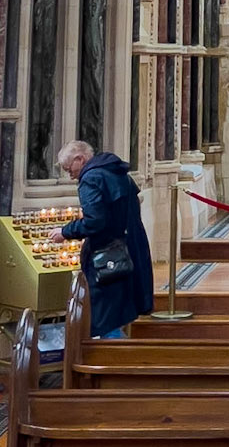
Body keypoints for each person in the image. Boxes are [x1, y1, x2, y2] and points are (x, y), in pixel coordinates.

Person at [50, 138, 154, 338]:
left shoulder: (91, 178)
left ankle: (115, 365)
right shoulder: (116, 171)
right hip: (129, 249)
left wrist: (65, 232)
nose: (70, 175)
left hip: (106, 257)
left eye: (68, 168)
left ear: (80, 159)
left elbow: (95, 221)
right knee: (119, 313)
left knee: (105, 320)